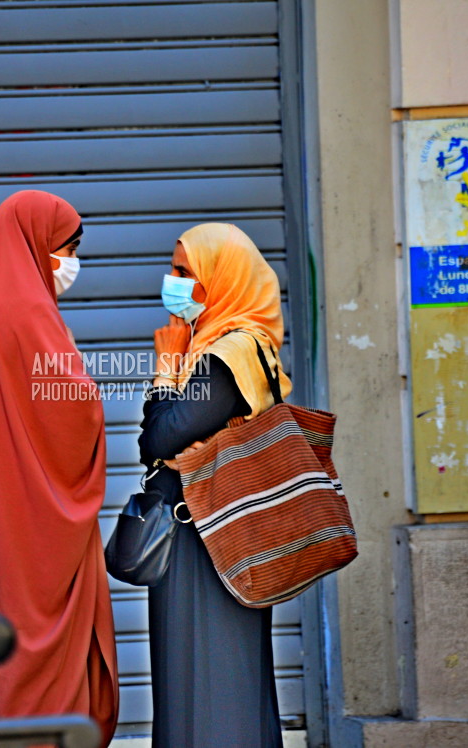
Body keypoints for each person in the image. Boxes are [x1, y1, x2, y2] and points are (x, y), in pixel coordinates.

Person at [0, 190, 119, 745]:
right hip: (30, 534)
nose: (71, 262)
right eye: (68, 247)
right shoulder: (31, 315)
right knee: (40, 668)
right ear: (37, 244)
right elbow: (76, 414)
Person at [138, 223, 292, 747]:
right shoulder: (225, 347)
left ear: (222, 280)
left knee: (216, 674)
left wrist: (165, 366)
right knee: (197, 670)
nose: (172, 282)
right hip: (206, 533)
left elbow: (161, 436)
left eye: (186, 272)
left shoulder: (229, 355)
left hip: (207, 536)